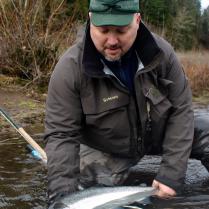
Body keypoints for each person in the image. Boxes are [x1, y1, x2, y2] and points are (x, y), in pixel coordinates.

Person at [44, 0, 209, 207]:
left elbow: (181, 111)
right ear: (90, 20)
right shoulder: (69, 69)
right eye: (103, 30)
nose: (112, 41)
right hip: (108, 147)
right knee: (91, 196)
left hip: (158, 134)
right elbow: (61, 135)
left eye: (121, 31)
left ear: (137, 21)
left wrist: (171, 174)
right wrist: (61, 199)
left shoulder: (162, 54)